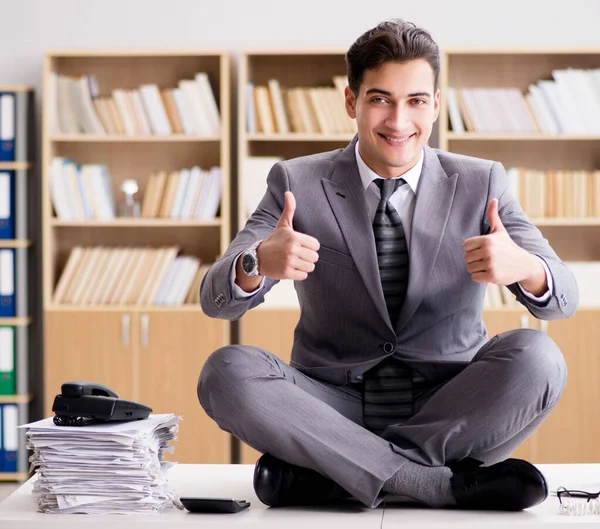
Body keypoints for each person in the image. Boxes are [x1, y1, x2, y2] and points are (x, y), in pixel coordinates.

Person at [197, 18, 577, 511]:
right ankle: (434, 485)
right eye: (380, 99)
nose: (399, 122)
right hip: (331, 407)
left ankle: (340, 475)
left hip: (452, 407)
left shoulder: (483, 182)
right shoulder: (296, 180)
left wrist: (525, 266)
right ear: (352, 101)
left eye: (416, 101)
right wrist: (257, 259)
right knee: (225, 371)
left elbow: (563, 298)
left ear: (436, 105)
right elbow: (215, 300)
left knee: (540, 358)